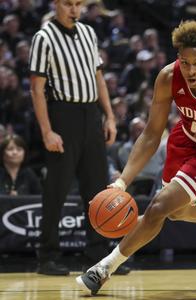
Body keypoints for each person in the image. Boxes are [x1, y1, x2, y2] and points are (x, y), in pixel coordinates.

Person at [76, 20, 196, 295]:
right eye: (185, 61)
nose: (190, 70)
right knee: (176, 211)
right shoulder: (168, 77)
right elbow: (151, 134)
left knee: (158, 207)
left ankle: (104, 268)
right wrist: (122, 182)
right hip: (184, 140)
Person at [29, 0, 129, 276]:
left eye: (78, 4)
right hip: (62, 115)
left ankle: (96, 255)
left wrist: (109, 116)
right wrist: (47, 130)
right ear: (56, 4)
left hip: (91, 114)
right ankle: (46, 256)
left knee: (96, 188)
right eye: (67, 4)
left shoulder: (88, 33)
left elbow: (99, 77)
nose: (73, 9)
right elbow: (37, 89)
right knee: (56, 190)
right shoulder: (43, 37)